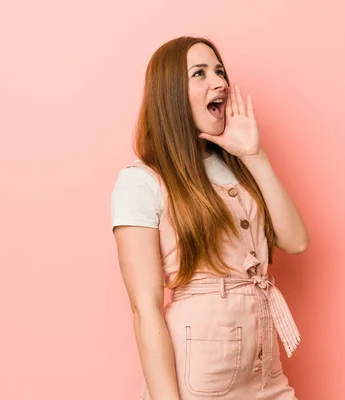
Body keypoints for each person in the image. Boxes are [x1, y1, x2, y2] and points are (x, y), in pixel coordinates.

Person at [110, 36, 309, 400]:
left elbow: (296, 241)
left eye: (219, 71)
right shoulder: (141, 181)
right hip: (202, 373)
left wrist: (255, 155)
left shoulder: (237, 165)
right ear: (170, 94)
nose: (219, 82)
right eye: (199, 73)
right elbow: (146, 308)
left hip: (266, 370)